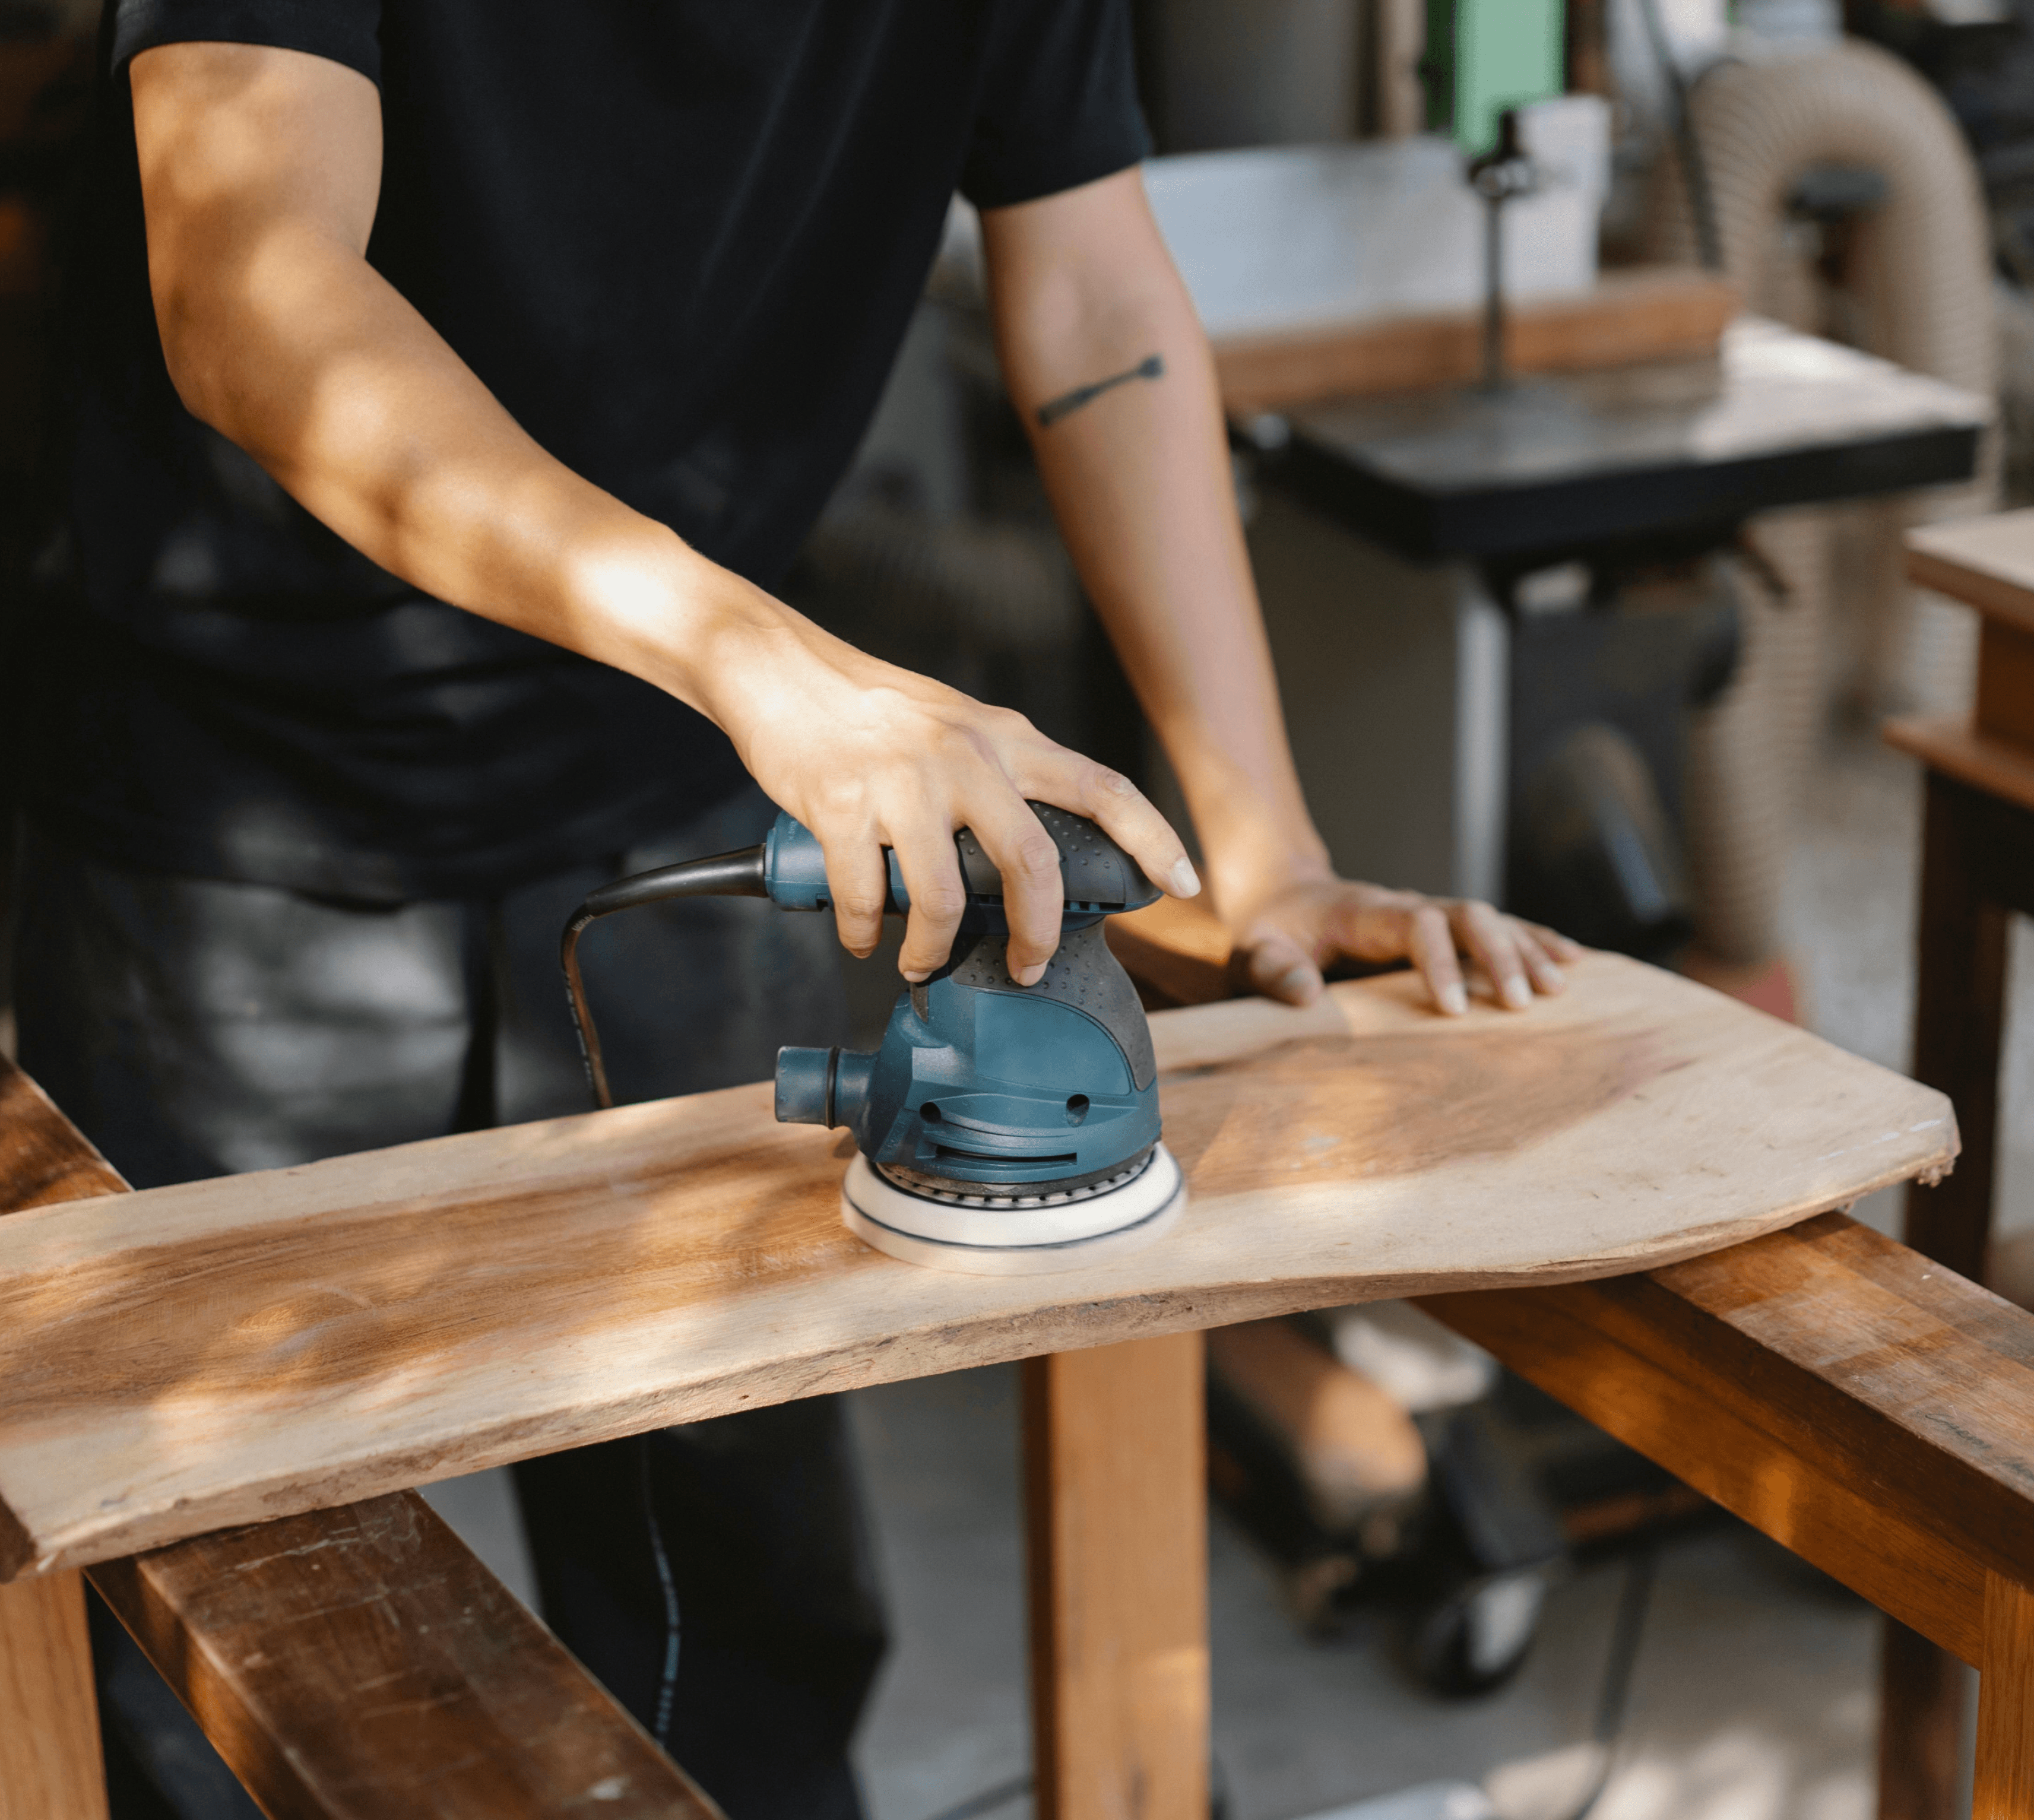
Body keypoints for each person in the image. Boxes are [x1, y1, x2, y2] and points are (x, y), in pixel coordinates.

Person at [8, 3, 1578, 1816]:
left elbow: (1094, 301)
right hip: (230, 816)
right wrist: (762, 662)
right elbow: (251, 291)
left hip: (672, 780)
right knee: (211, 1626)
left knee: (738, 1609)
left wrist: (1266, 844)